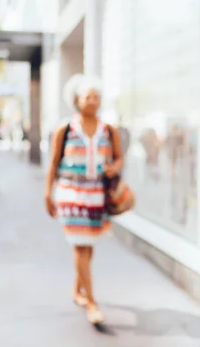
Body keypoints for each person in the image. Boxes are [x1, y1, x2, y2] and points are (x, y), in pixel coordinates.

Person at [44, 75, 122, 324]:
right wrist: (48, 192)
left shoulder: (109, 130)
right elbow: (54, 162)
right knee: (80, 245)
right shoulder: (65, 129)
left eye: (96, 97)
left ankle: (77, 289)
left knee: (88, 247)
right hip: (70, 192)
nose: (92, 101)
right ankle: (92, 303)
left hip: (96, 194)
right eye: (87, 96)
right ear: (76, 100)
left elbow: (119, 158)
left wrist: (114, 167)